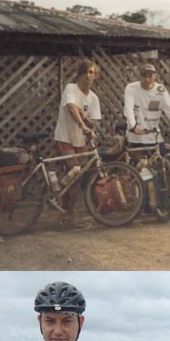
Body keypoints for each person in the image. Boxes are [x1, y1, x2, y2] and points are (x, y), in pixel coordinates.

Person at [53, 59, 102, 226]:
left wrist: (86, 120)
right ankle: (66, 213)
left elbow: (93, 122)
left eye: (93, 73)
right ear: (80, 74)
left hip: (81, 141)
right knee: (74, 172)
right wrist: (81, 123)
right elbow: (71, 108)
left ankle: (66, 210)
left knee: (77, 177)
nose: (90, 76)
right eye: (87, 72)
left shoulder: (93, 98)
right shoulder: (71, 89)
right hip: (65, 137)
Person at [123, 62, 170, 149]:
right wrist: (133, 126)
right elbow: (128, 108)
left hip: (154, 136)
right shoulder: (131, 88)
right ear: (140, 76)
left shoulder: (160, 90)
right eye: (144, 76)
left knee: (164, 158)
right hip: (136, 136)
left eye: (150, 76)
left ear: (155, 76)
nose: (147, 79)